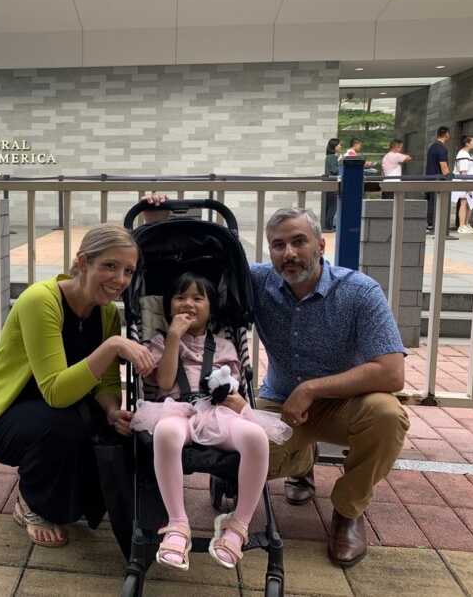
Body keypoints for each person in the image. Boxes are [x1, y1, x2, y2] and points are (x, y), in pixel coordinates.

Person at [141, 200, 409, 568]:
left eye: (299, 242)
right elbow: (194, 273)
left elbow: (392, 372)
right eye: (278, 245)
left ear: (320, 245)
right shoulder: (259, 281)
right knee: (239, 459)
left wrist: (312, 388)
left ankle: (348, 510)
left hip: (345, 401)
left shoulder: (360, 292)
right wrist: (157, 220)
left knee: (387, 414)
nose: (290, 253)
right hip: (281, 404)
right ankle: (303, 460)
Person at [0, 224, 154, 547]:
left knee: (108, 428)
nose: (120, 280)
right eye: (109, 266)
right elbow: (55, 392)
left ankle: (75, 498)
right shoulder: (41, 300)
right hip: (4, 417)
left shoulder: (107, 312)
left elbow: (107, 382)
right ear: (83, 262)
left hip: (61, 409)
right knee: (64, 425)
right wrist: (111, 346)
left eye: (128, 271)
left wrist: (113, 411)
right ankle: (32, 503)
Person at [130, 272, 290, 572]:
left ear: (211, 307)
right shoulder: (160, 342)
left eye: (197, 297)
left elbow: (233, 389)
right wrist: (174, 336)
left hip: (218, 412)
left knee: (256, 436)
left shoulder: (225, 345)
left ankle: (238, 525)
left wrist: (238, 400)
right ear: (168, 307)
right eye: (180, 297)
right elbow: (164, 383)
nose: (188, 303)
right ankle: (177, 524)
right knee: (165, 432)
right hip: (175, 409)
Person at [424, 126, 452, 234]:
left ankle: (429, 224)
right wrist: (449, 178)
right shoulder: (441, 148)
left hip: (429, 178)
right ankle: (432, 225)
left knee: (431, 201)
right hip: (438, 179)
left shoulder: (432, 147)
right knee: (436, 202)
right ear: (446, 134)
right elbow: (444, 166)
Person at [451, 135, 473, 234]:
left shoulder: (468, 154)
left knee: (469, 203)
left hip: (468, 182)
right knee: (463, 203)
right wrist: (467, 185)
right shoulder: (462, 154)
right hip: (463, 182)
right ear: (467, 143)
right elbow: (463, 171)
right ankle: (461, 226)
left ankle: (466, 224)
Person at [321, 138, 341, 231]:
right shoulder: (333, 157)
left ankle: (327, 226)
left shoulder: (329, 157)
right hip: (332, 184)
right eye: (339, 145)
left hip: (328, 184)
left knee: (329, 206)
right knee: (332, 207)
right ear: (334, 146)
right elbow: (335, 170)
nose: (340, 146)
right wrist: (339, 160)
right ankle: (328, 227)